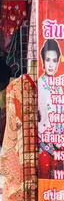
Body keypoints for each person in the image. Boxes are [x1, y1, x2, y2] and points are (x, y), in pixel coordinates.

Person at [38, 39, 64, 178]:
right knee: (45, 180)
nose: (51, 64)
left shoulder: (59, 86)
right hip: (44, 144)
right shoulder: (39, 85)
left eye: (54, 60)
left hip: (60, 145)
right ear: (43, 60)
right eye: (48, 59)